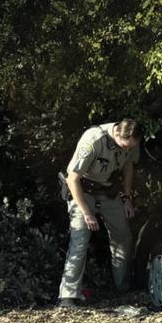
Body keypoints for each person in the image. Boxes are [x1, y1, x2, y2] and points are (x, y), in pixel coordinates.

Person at [57, 117, 141, 308]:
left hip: (108, 191)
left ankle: (122, 288)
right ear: (116, 134)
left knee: (123, 236)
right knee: (80, 238)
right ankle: (68, 296)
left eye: (131, 147)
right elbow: (72, 179)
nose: (127, 149)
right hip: (83, 191)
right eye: (124, 146)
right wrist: (87, 213)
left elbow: (128, 166)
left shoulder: (132, 142)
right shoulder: (94, 140)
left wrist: (127, 197)